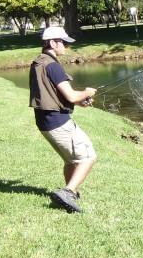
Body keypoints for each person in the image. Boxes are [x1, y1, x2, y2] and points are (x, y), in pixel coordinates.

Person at [29, 26, 97, 213]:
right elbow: (72, 96)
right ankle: (68, 191)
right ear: (52, 43)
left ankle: (70, 194)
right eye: (64, 42)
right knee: (88, 157)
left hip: (44, 122)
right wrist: (87, 93)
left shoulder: (39, 62)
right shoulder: (53, 66)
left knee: (70, 160)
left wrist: (80, 102)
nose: (66, 47)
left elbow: (52, 94)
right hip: (58, 122)